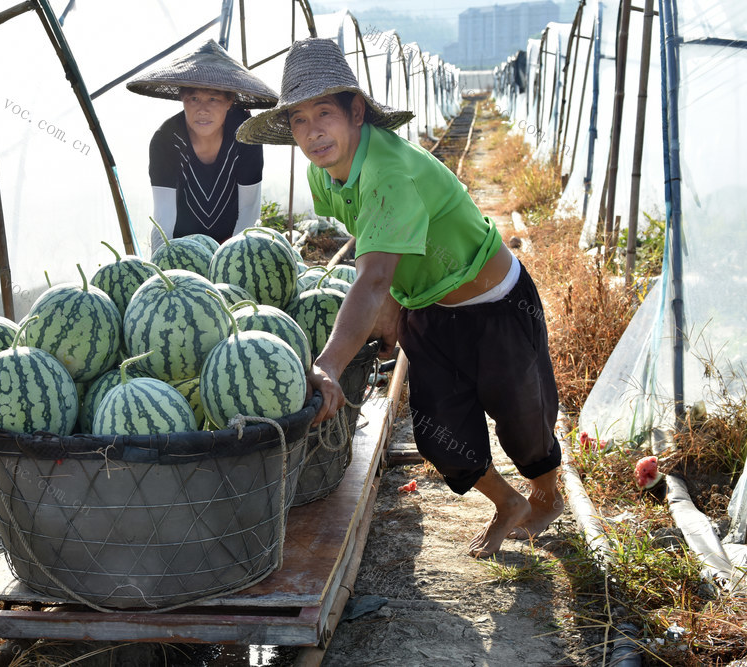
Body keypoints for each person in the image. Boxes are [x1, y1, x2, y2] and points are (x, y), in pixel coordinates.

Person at [237, 38, 563, 559]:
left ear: (356, 112)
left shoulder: (389, 172)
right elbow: (374, 255)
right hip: (427, 308)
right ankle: (509, 503)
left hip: (495, 303)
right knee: (439, 430)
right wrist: (392, 306)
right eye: (299, 120)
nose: (313, 130)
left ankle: (546, 496)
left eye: (325, 112)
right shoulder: (323, 172)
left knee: (524, 418)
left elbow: (370, 278)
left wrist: (326, 364)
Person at [126, 40, 278, 251]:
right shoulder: (166, 140)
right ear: (182, 99)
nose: (203, 109)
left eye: (213, 99)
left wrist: (232, 256)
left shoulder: (245, 135)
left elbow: (249, 208)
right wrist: (164, 257)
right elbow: (164, 215)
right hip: (183, 246)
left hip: (233, 240)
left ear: (229, 101)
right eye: (194, 98)